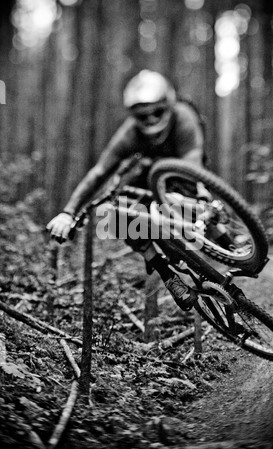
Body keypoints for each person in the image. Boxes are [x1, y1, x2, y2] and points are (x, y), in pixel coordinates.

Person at [47, 69, 210, 311]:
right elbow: (100, 172)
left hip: (183, 172)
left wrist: (187, 197)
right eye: (142, 116)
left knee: (184, 199)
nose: (151, 121)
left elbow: (193, 160)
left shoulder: (184, 117)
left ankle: (219, 235)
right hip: (148, 174)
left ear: (169, 104)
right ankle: (169, 276)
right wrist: (68, 213)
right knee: (117, 215)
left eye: (157, 112)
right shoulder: (130, 133)